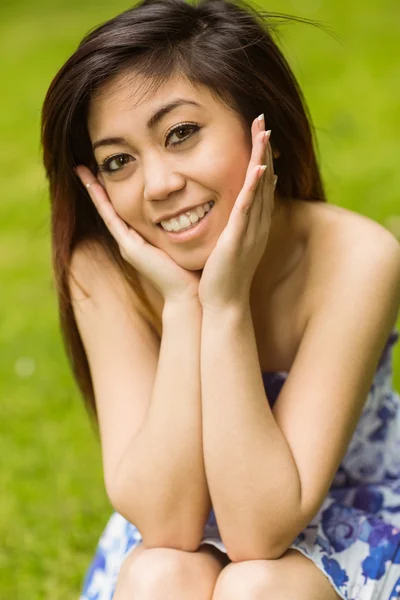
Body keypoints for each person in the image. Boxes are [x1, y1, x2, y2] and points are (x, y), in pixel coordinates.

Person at [40, 0, 400, 598]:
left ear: (269, 130)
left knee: (255, 587)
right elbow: (165, 523)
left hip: (347, 527)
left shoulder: (356, 257)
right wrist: (184, 308)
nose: (158, 185)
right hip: (173, 546)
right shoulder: (103, 270)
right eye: (118, 161)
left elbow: (260, 534)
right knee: (160, 573)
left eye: (181, 134)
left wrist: (226, 307)